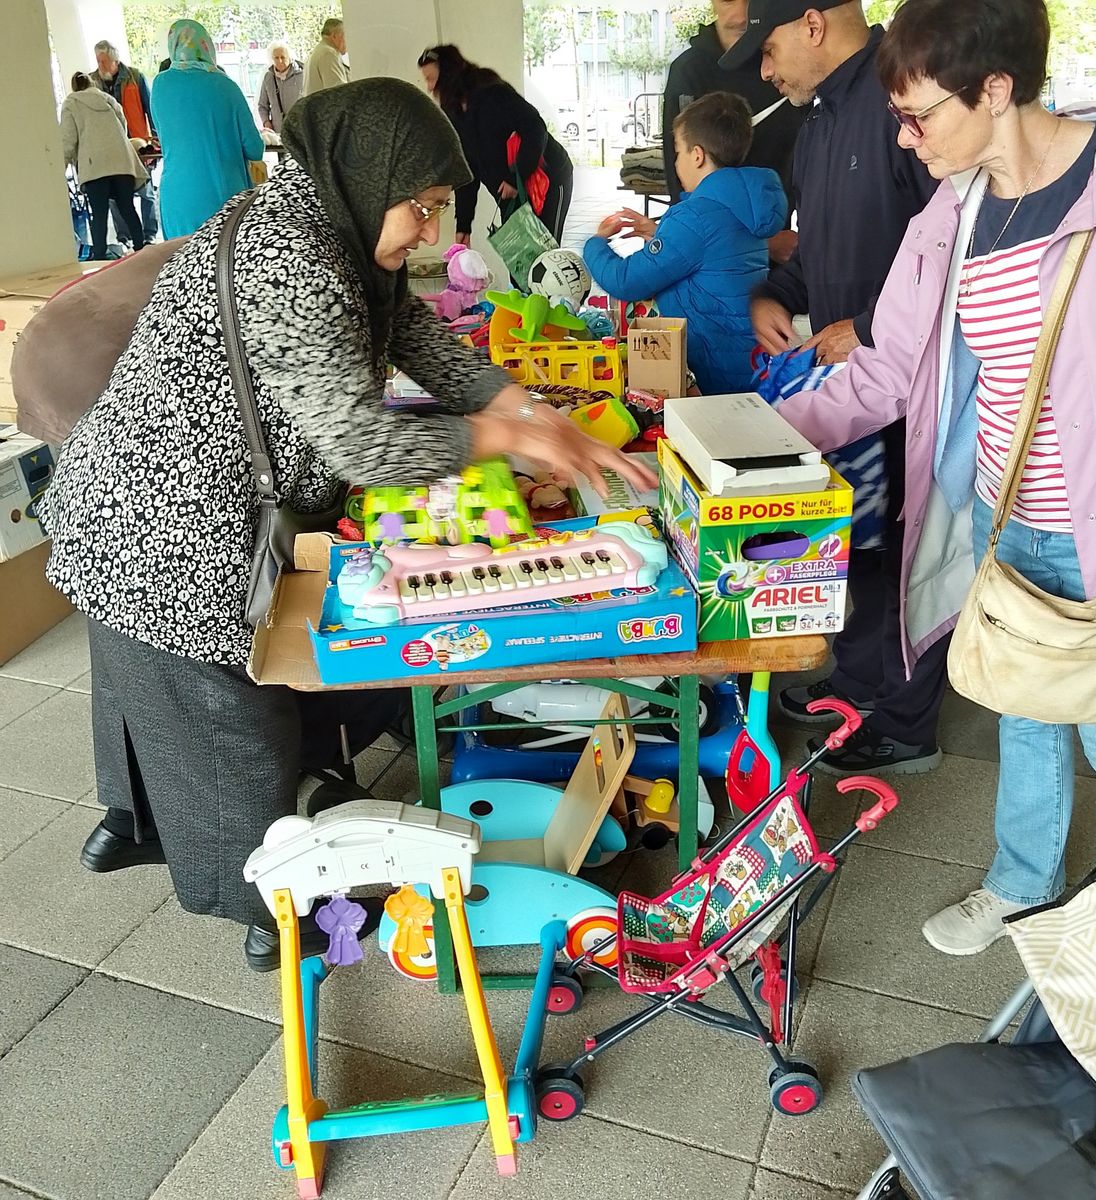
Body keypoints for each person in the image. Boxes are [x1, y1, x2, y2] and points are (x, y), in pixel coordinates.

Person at [37, 79, 653, 973]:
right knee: (225, 724)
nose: (430, 234)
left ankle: (135, 825)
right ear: (372, 172)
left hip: (144, 501)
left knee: (178, 702)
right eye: (424, 208)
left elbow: (413, 337)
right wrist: (498, 438)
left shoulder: (328, 222)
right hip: (165, 522)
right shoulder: (295, 254)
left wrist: (523, 405)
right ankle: (269, 906)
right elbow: (362, 441)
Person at [773, 0, 1096, 955]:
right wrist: (752, 433)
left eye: (920, 113)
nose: (905, 136)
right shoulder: (954, 209)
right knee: (1021, 703)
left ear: (997, 89)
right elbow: (885, 370)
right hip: (1003, 516)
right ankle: (1020, 884)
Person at [725, 0, 943, 776]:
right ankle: (854, 683)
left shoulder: (910, 98)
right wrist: (772, 296)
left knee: (909, 550)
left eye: (771, 45)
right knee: (855, 539)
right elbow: (815, 255)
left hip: (918, 382)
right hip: (850, 377)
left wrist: (868, 321)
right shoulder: (815, 124)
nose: (765, 66)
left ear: (813, 23)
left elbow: (961, 258)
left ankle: (908, 721)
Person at [583, 93, 786, 395]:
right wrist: (659, 232)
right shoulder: (744, 204)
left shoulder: (693, 217)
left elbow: (626, 281)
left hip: (716, 367)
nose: (676, 161)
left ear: (697, 155)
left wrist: (595, 243)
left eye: (677, 151)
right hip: (750, 360)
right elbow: (714, 252)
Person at [662, 0, 804, 263]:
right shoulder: (689, 72)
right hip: (710, 256)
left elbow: (808, 166)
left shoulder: (789, 66)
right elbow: (679, 182)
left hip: (780, 252)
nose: (740, 11)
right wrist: (763, 245)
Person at [418, 44, 574, 249]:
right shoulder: (453, 110)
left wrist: (514, 175)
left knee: (546, 254)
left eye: (431, 79)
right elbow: (466, 168)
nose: (429, 87)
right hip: (511, 193)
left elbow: (535, 128)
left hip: (548, 180)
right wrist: (463, 226)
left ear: (447, 74)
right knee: (519, 258)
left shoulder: (493, 93)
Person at [151, 20, 265, 238]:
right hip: (224, 198)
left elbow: (164, 135)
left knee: (183, 265)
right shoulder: (226, 86)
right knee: (225, 266)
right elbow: (255, 149)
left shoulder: (160, 85)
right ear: (206, 46)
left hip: (176, 198)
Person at [60, 72, 147, 260]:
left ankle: (99, 258)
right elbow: (122, 124)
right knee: (128, 209)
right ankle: (141, 250)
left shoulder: (71, 103)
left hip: (94, 167)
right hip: (121, 161)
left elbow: (68, 139)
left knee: (99, 215)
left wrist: (61, 167)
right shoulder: (107, 99)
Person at [92, 39, 159, 245]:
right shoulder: (92, 82)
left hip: (140, 145)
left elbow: (150, 108)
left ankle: (149, 234)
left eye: (104, 61)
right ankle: (124, 236)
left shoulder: (135, 77)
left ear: (115, 60)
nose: (101, 66)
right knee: (115, 198)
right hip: (111, 148)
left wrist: (155, 137)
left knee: (146, 192)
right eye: (98, 61)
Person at [258, 42, 304, 133]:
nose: (280, 61)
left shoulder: (302, 75)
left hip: (299, 130)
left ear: (289, 58)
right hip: (278, 132)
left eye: (283, 57)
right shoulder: (268, 77)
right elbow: (262, 105)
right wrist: (266, 122)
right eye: (276, 58)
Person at [303, 18, 349, 96]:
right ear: (334, 36)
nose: (347, 40)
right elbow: (338, 90)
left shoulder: (319, 51)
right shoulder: (328, 53)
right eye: (345, 36)